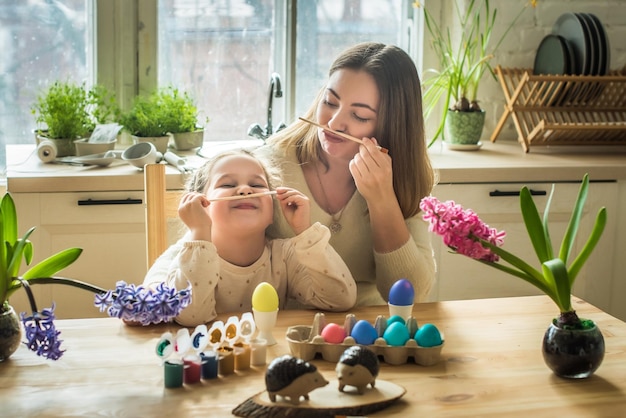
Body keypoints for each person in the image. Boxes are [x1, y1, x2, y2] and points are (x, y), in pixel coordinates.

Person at [260, 42, 436, 306]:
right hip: (287, 323)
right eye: (330, 101)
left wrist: (382, 199)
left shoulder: (406, 179)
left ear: (392, 126)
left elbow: (412, 294)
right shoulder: (270, 166)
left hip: (371, 329)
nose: (333, 123)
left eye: (359, 115)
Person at [143, 149, 357, 326]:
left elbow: (339, 299)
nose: (245, 190)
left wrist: (304, 230)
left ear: (272, 209)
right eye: (227, 185)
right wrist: (199, 232)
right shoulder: (177, 259)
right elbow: (191, 316)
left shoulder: (284, 257)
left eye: (257, 185)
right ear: (200, 204)